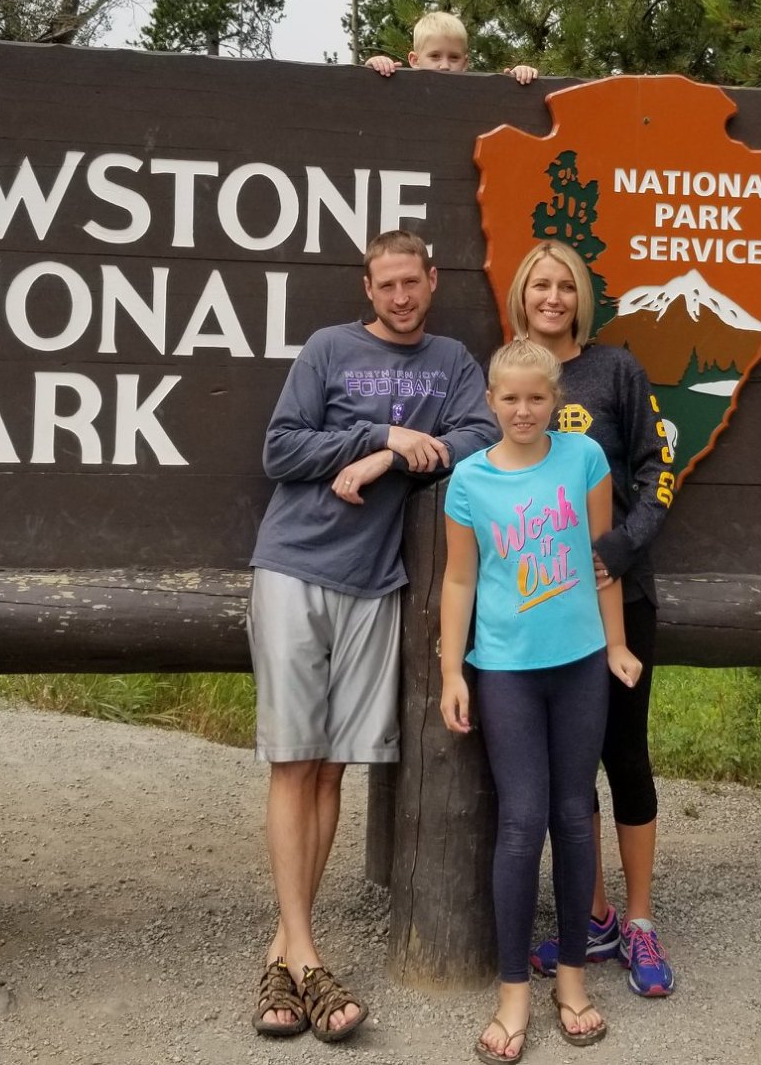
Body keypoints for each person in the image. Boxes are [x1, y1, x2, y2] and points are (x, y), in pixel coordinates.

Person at [248, 227, 500, 1043]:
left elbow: (481, 437)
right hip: (294, 567)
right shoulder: (328, 348)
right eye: (385, 284)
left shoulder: (454, 362)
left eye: (411, 282)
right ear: (369, 286)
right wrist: (380, 437)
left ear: (434, 278)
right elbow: (281, 449)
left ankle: (285, 954)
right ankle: (308, 956)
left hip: (375, 582)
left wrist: (391, 465)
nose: (399, 296)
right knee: (294, 762)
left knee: (330, 770)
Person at [441, 337, 642, 1061]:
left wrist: (616, 644)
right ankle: (511, 994)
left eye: (537, 397)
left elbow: (601, 560)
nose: (523, 410)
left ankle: (572, 982)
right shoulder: (467, 481)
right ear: (491, 402)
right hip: (505, 670)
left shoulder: (583, 461)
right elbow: (459, 580)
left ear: (557, 402)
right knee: (522, 823)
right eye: (510, 398)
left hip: (582, 662)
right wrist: (452, 671)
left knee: (574, 817)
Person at [508, 240, 678, 999]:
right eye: (539, 284)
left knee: (625, 757)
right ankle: (598, 913)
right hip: (541, 609)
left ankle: (640, 922)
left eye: (564, 285)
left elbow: (657, 470)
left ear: (582, 296)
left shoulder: (617, 370)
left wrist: (620, 544)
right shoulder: (509, 374)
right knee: (565, 773)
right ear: (522, 294)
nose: (552, 297)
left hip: (620, 598)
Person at [362, 9, 540, 85]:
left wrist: (519, 77)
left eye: (454, 57)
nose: (445, 65)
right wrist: (373, 67)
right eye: (435, 56)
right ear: (414, 60)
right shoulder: (401, 91)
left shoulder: (476, 95)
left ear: (465, 62)